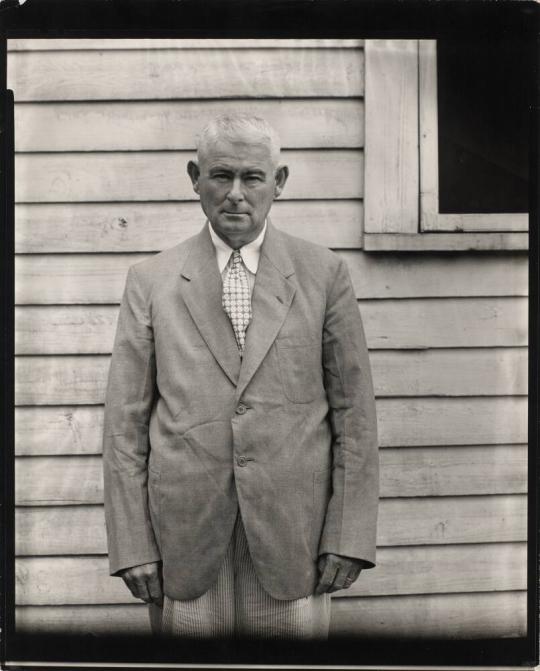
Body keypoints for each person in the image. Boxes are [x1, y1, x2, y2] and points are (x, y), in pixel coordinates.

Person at [102, 113, 379, 640]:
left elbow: (355, 416)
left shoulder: (323, 275)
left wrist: (349, 533)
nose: (235, 194)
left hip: (294, 544)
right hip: (182, 548)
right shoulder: (151, 281)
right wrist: (132, 543)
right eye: (219, 176)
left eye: (252, 177)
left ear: (278, 183)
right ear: (194, 178)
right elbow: (124, 428)